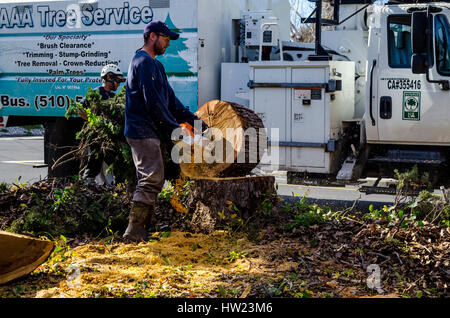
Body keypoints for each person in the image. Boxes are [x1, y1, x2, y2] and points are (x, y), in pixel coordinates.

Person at [123, 21, 206, 242]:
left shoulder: (156, 66)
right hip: (142, 130)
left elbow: (171, 102)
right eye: (166, 39)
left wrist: (197, 124)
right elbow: (154, 104)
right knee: (151, 179)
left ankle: (141, 230)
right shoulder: (142, 62)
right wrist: (175, 131)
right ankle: (133, 233)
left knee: (153, 179)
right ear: (152, 37)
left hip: (150, 130)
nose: (168, 43)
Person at [80, 64, 126, 184]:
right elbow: (81, 109)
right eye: (117, 80)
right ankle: (84, 186)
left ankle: (119, 190)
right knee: (94, 163)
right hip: (96, 136)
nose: (119, 84)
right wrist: (94, 121)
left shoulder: (114, 97)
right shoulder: (96, 93)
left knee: (117, 164)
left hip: (111, 138)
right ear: (109, 77)